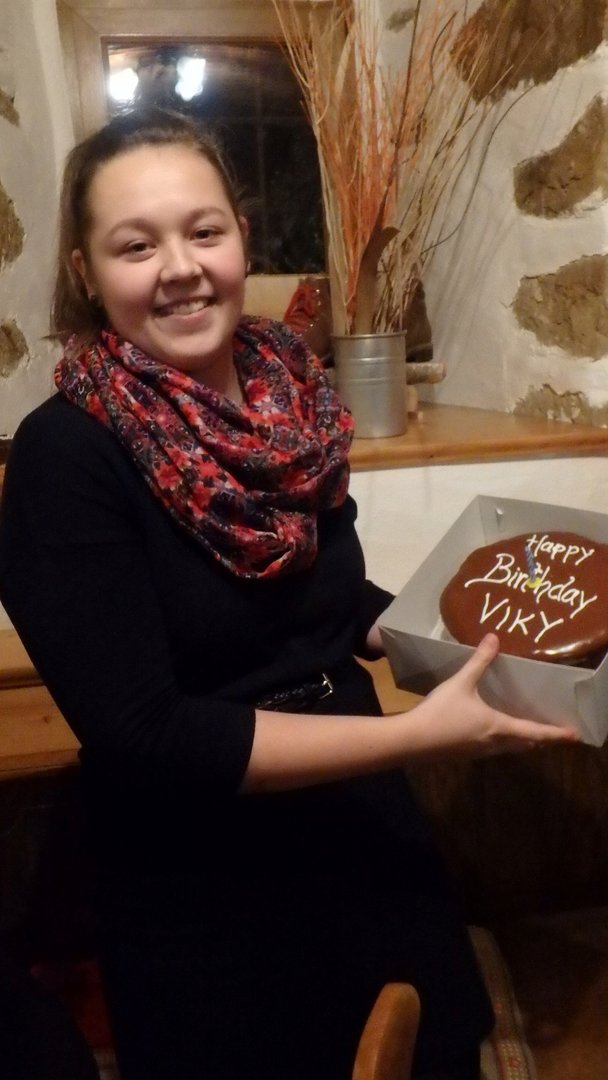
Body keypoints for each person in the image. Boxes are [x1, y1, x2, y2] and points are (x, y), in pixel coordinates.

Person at [0, 107, 577, 1080]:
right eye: (136, 246)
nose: (180, 268)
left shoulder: (289, 391)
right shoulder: (65, 455)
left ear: (241, 236)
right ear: (84, 273)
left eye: (203, 231)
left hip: (362, 828)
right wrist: (419, 736)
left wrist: (484, 628)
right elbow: (147, 735)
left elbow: (333, 602)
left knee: (430, 1051)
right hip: (210, 887)